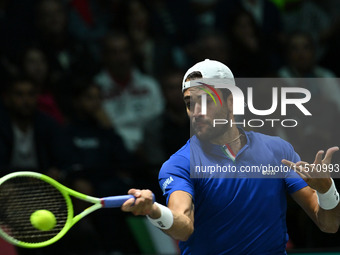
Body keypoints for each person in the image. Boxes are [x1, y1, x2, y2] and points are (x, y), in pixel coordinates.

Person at [121, 59, 340, 254]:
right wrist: (154, 210)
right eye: (190, 103)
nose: (196, 111)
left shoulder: (277, 150)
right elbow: (183, 226)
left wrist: (326, 190)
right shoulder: (179, 165)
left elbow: (329, 224)